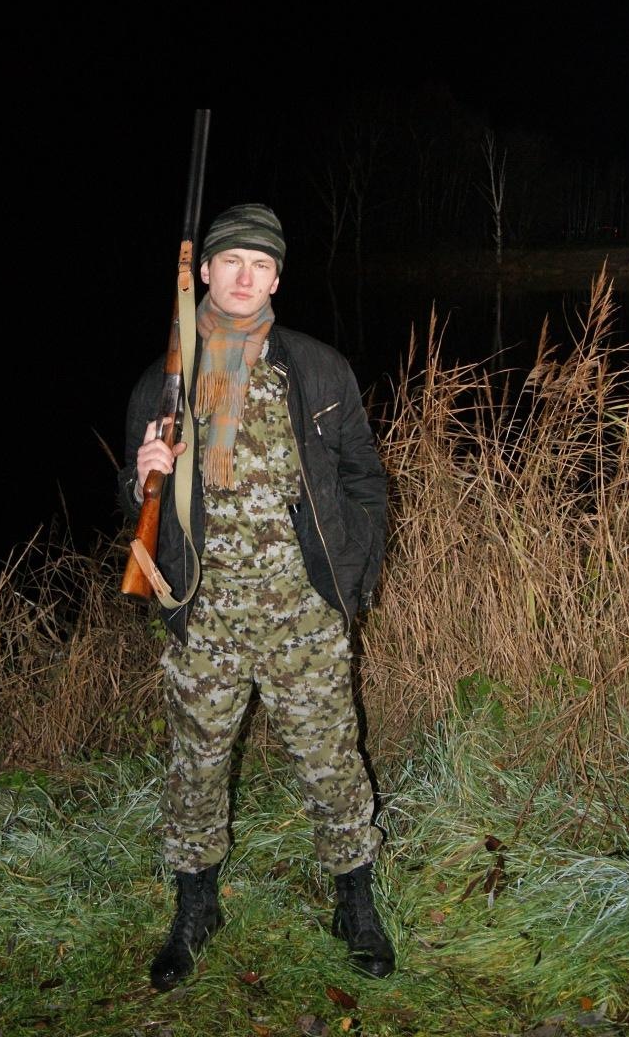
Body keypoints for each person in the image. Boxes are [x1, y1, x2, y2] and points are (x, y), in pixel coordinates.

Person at [118, 202, 394, 990]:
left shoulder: (315, 368)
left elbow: (363, 479)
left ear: (276, 278)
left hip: (302, 611)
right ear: (203, 271)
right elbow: (129, 503)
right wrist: (139, 478)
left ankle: (354, 902)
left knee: (331, 758)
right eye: (231, 261)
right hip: (204, 613)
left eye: (260, 265)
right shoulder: (163, 381)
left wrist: (349, 580)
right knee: (195, 766)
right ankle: (195, 906)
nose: (244, 277)